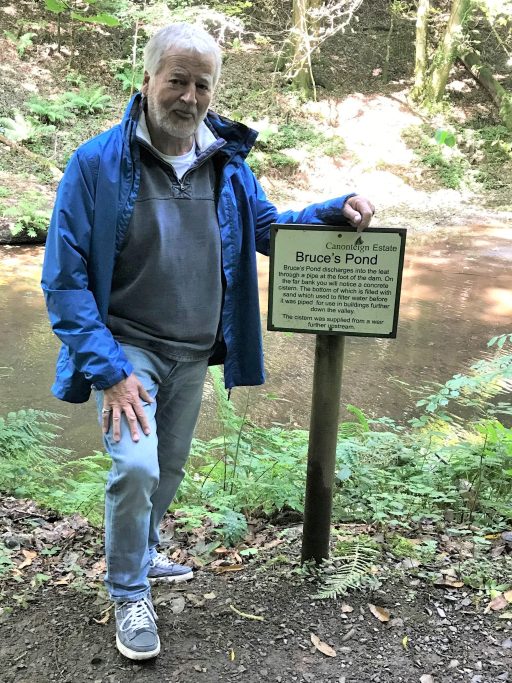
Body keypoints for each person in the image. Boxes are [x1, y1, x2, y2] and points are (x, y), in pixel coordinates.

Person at [41, 22, 375, 661]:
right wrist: (108, 371)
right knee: (135, 466)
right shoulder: (95, 164)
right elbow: (64, 279)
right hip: (126, 348)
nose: (189, 96)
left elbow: (269, 230)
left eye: (202, 84)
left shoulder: (226, 161)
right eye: (177, 80)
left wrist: (332, 209)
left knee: (166, 470)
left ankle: (143, 548)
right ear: (148, 80)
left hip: (194, 348)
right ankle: (128, 592)